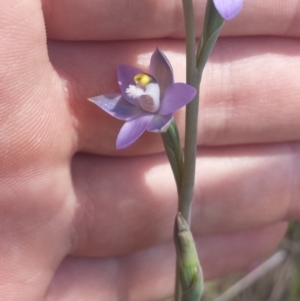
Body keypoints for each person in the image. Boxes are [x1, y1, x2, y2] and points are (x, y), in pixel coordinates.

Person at [0, 0, 299, 300]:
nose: (140, 84)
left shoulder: (176, 94)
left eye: (146, 82)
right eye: (142, 83)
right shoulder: (152, 110)